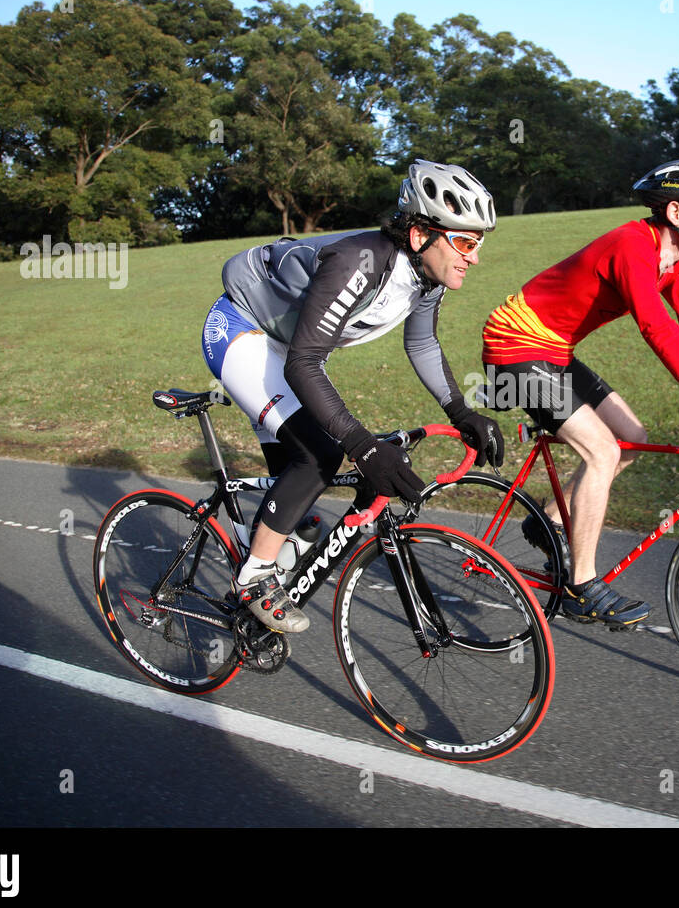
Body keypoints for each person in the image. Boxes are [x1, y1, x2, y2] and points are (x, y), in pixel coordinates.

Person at [202, 160, 506, 633]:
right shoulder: (360, 263)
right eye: (465, 242)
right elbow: (303, 365)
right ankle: (254, 579)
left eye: (478, 243)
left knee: (299, 514)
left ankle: (259, 568)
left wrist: (462, 411)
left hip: (287, 346)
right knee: (320, 456)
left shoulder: (424, 277)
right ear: (420, 234)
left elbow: (421, 343)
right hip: (242, 330)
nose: (474, 256)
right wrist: (363, 448)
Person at [481, 159, 679, 627]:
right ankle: (582, 586)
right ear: (676, 213)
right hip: (514, 348)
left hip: (553, 350)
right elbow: (658, 330)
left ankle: (548, 521)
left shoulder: (674, 259)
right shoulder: (632, 247)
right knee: (602, 451)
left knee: (630, 437)